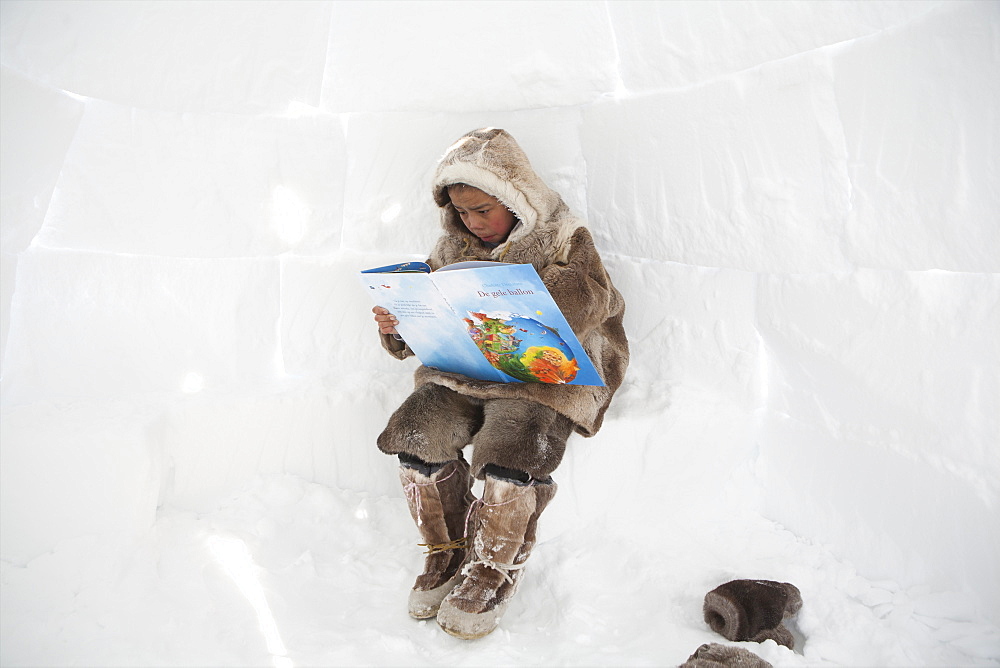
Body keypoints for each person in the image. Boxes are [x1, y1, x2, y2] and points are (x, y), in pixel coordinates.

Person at [371, 128, 629, 639]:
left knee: (511, 448)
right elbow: (430, 316)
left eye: (483, 210)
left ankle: (494, 567)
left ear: (514, 197)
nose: (472, 222)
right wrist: (400, 325)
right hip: (466, 370)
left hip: (538, 377)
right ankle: (449, 549)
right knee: (417, 431)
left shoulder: (562, 235)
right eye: (462, 212)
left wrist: (532, 296)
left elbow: (597, 298)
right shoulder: (454, 244)